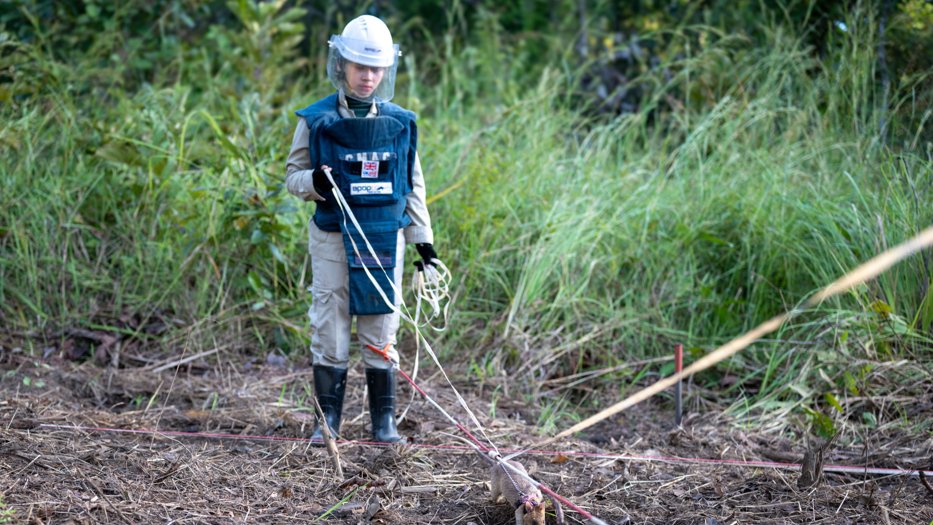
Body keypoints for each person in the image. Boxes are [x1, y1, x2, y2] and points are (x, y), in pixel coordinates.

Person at [285, 15, 437, 445]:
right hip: (332, 238)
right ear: (341, 65)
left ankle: (383, 425)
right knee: (329, 326)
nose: (368, 77)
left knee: (381, 327)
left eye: (376, 69)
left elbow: (412, 185)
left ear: (387, 70)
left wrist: (423, 244)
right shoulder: (315, 120)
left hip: (384, 237)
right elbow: (293, 176)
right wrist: (315, 182)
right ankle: (327, 423)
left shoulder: (399, 123)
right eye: (360, 67)